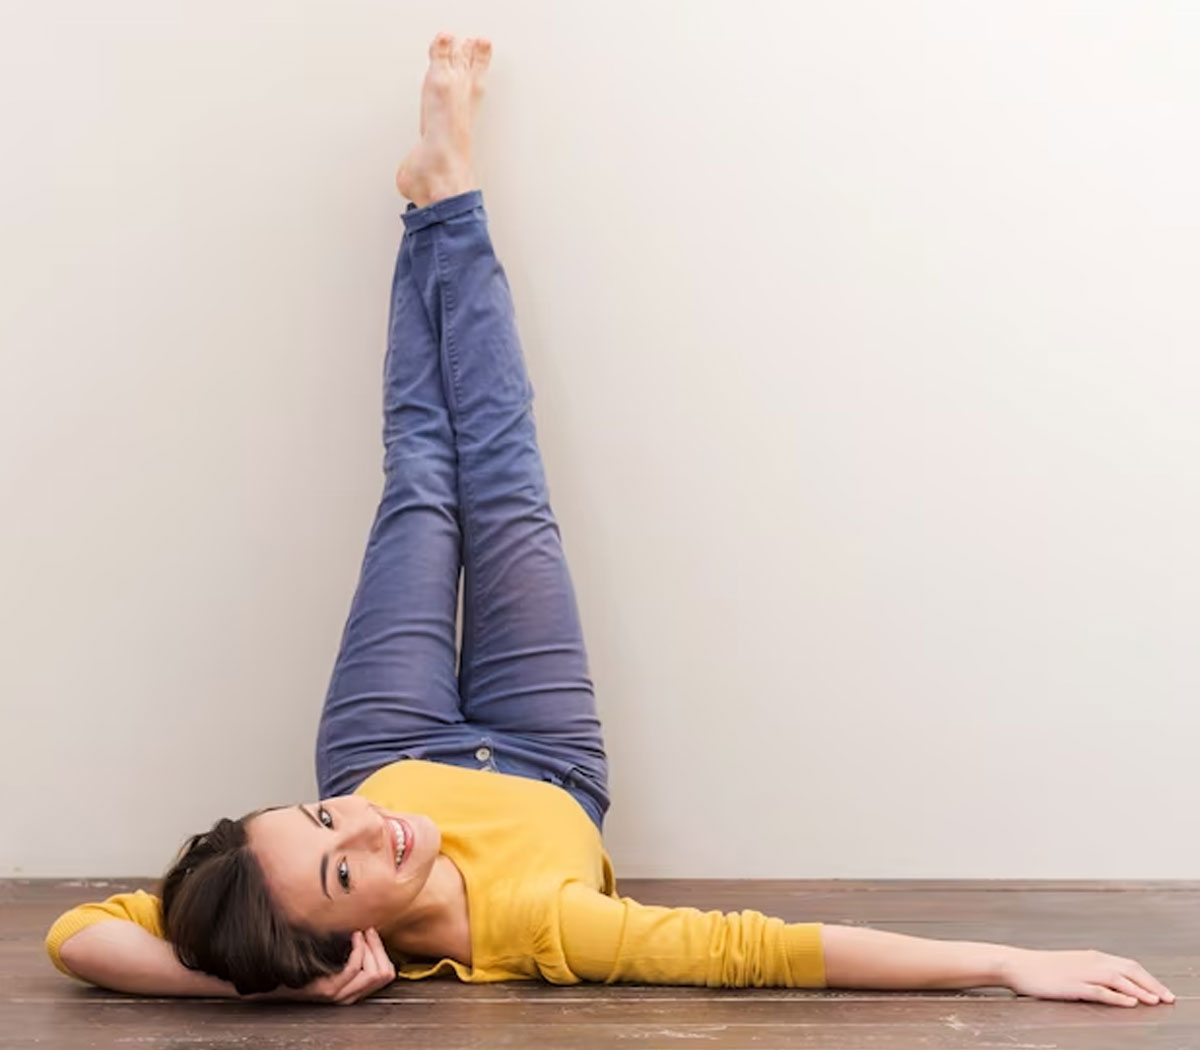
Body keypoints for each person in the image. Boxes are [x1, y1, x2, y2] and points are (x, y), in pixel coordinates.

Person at [44, 34, 1176, 1010]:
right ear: (341, 944)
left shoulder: (330, 826)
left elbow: (78, 931)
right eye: (344, 875)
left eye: (320, 818)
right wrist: (1009, 965)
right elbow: (771, 956)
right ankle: (445, 190)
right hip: (545, 757)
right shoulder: (544, 932)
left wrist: (252, 939)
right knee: (501, 471)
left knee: (422, 475)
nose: (362, 833)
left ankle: (436, 194)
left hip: (384, 736)